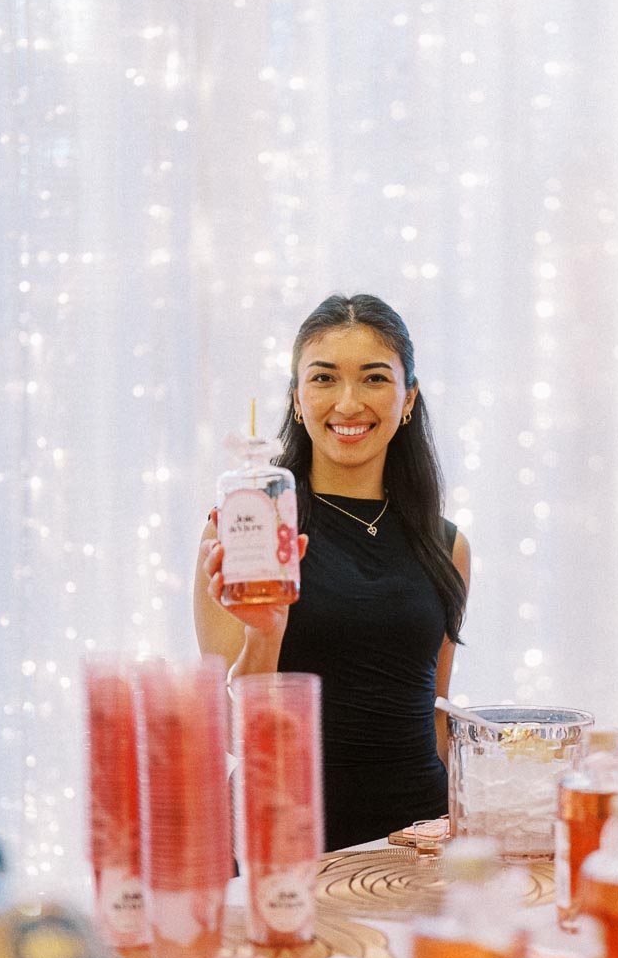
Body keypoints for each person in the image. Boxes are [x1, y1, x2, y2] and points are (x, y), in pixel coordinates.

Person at [194, 293, 470, 850]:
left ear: (408, 396)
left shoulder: (447, 545)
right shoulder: (250, 528)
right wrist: (265, 632)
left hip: (417, 839)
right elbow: (229, 729)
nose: (348, 403)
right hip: (285, 839)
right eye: (323, 379)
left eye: (373, 379)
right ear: (296, 398)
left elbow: (432, 716)